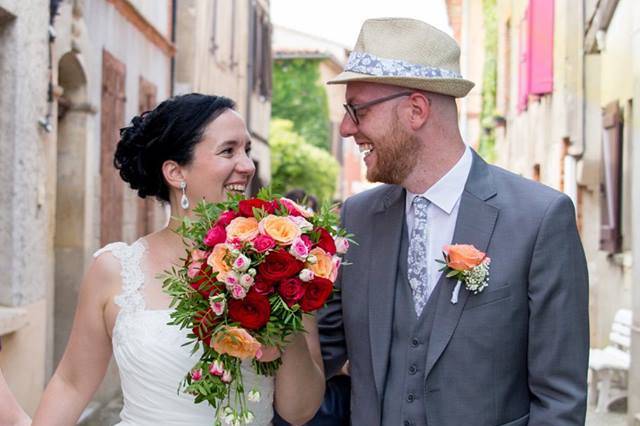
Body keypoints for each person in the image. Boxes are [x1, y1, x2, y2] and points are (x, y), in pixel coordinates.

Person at [318, 18, 589, 426]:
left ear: (416, 110)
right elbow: (319, 350)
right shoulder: (356, 219)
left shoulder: (539, 219)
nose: (345, 128)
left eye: (356, 110)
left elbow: (560, 402)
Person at [30, 93, 325, 425]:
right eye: (228, 150)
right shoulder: (114, 270)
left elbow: (300, 412)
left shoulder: (283, 260)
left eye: (247, 151)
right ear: (175, 172)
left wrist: (278, 295)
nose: (247, 165)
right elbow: (71, 383)